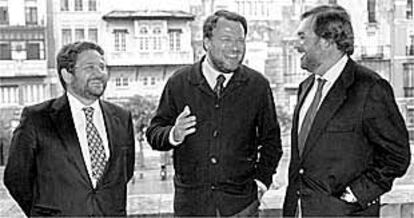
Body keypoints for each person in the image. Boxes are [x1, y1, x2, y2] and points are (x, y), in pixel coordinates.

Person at [146, 10, 283, 217]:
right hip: (192, 207)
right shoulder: (179, 82)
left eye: (240, 40)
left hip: (241, 207)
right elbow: (154, 133)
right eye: (227, 40)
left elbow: (272, 142)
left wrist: (262, 183)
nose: (236, 48)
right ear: (207, 42)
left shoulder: (257, 86)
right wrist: (174, 134)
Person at [283, 5, 411, 217]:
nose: (297, 45)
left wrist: (354, 195)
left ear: (326, 41)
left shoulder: (369, 88)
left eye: (303, 37)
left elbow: (397, 156)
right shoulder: (306, 87)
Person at [4, 41, 135, 216]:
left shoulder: (121, 117)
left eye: (102, 67)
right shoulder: (37, 118)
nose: (100, 74)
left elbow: (124, 173)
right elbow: (16, 177)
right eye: (90, 68)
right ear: (67, 75)